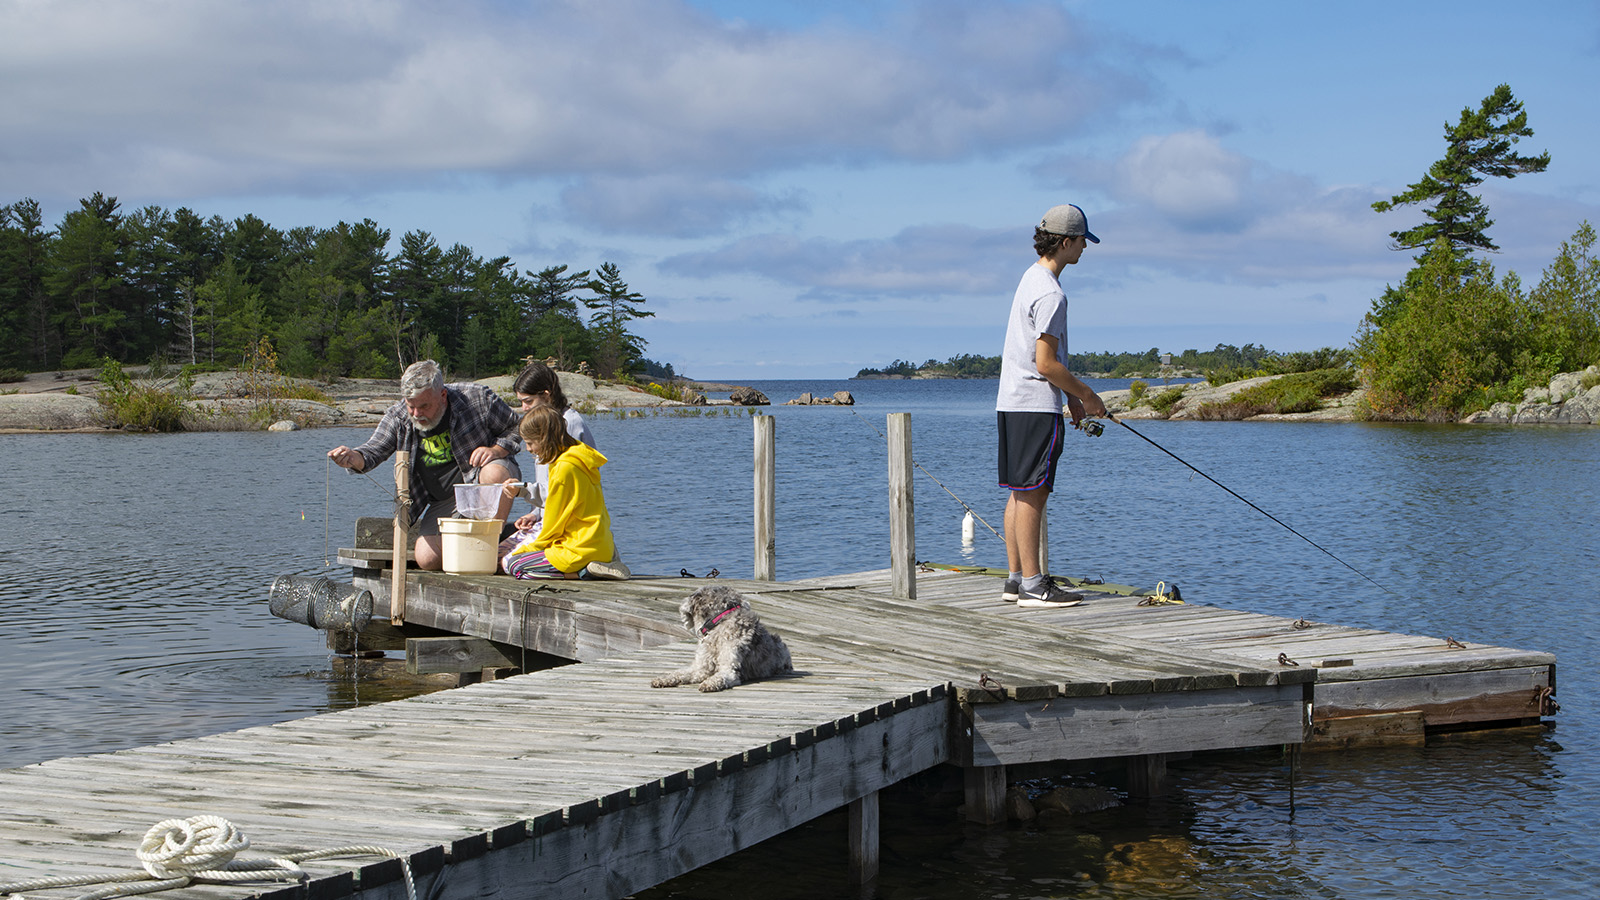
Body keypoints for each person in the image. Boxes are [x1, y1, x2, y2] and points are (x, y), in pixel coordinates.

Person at [996, 203, 1109, 608]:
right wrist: (1087, 396)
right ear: (1065, 242)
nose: (1085, 248)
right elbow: (1045, 363)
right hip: (1034, 405)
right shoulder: (1052, 293)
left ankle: (1015, 580)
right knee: (1033, 493)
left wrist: (1072, 401)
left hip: (1011, 402)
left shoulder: (1030, 278)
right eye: (1082, 241)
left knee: (1018, 491)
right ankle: (1033, 584)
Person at [327, 359, 522, 571]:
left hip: (479, 484)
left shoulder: (476, 398)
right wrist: (353, 457)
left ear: (443, 395)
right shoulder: (398, 416)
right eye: (411, 406)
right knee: (427, 559)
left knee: (493, 472)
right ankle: (494, 543)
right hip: (445, 501)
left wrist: (496, 450)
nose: (417, 414)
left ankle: (491, 551)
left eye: (424, 406)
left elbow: (518, 426)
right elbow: (373, 450)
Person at [507, 361, 629, 580]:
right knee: (504, 554)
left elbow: (558, 504)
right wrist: (535, 514)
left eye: (528, 401)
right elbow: (561, 498)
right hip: (585, 534)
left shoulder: (567, 430)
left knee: (510, 564)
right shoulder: (566, 450)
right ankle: (591, 566)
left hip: (571, 537)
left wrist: (524, 492)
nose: (524, 408)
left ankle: (582, 572)